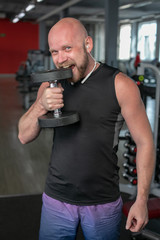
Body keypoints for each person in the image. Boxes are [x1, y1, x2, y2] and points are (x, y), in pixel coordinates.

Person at [18, 18, 155, 240]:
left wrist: (141, 200)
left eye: (67, 48)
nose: (61, 59)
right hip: (56, 198)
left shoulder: (120, 85)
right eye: (54, 52)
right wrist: (40, 105)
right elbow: (23, 135)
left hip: (103, 202)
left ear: (88, 44)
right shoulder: (51, 84)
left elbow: (145, 142)